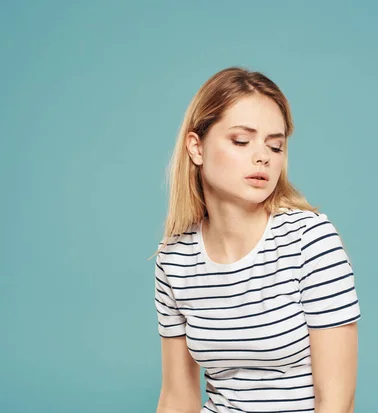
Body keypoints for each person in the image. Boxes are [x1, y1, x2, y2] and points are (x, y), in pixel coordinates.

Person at [152, 67, 362, 413]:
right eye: (241, 141)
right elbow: (177, 397)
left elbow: (338, 402)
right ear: (196, 147)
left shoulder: (311, 242)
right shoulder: (174, 258)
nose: (262, 156)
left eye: (275, 145)